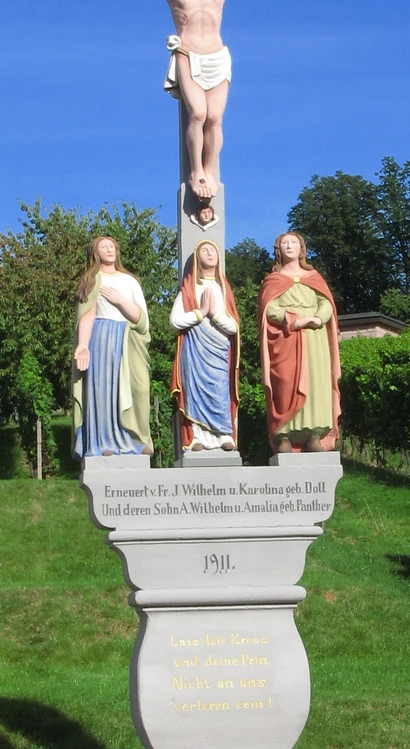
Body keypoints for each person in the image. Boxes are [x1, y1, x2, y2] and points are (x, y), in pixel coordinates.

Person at [258, 232, 341, 453]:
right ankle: (284, 433)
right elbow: (269, 308)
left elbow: (326, 302)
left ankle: (313, 434)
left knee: (316, 382)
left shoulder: (313, 276)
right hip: (287, 336)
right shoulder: (273, 280)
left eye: (294, 242)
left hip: (314, 337)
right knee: (285, 383)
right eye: (284, 243)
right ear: (278, 250)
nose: (289, 246)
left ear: (302, 248)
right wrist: (290, 318)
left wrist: (318, 317)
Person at [71, 236, 153, 459]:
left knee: (139, 389)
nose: (109, 250)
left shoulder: (129, 281)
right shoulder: (91, 280)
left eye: (112, 246)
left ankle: (135, 440)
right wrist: (82, 346)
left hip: (127, 341)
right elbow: (87, 315)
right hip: (101, 340)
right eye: (103, 247)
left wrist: (121, 301)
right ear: (95, 253)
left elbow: (143, 321)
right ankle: (103, 441)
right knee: (104, 390)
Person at [171, 240, 240, 452]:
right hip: (194, 349)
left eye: (213, 250)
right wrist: (200, 312)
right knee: (194, 391)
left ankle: (224, 435)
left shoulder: (223, 288)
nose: (210, 253)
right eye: (204, 250)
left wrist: (215, 315)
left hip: (218, 349)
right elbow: (174, 321)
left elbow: (234, 327)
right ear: (197, 258)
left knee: (219, 390)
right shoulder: (189, 289)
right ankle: (195, 438)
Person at [164, 0, 229, 201]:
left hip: (217, 54)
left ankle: (209, 170)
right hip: (187, 53)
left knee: (215, 117)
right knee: (199, 113)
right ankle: (196, 171)